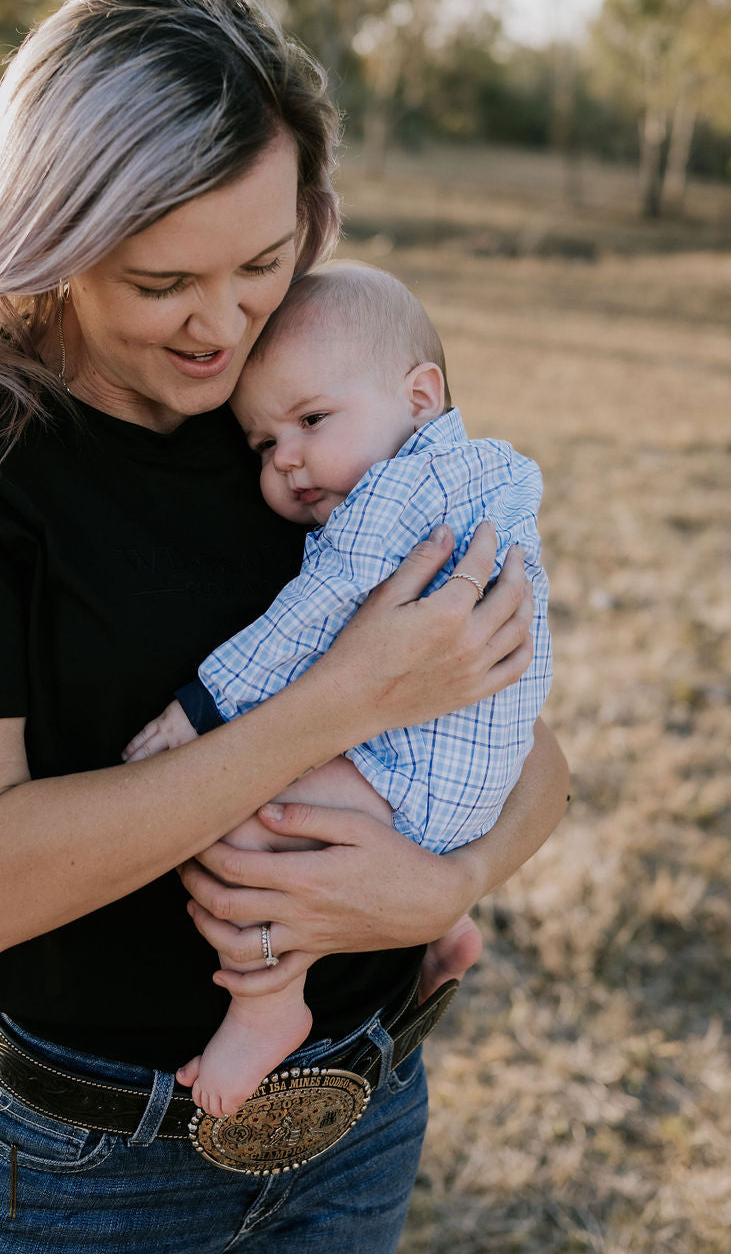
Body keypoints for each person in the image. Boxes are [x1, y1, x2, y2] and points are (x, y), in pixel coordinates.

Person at [0, 0, 568, 1253]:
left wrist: (445, 885)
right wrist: (338, 701)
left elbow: (533, 745)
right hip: (89, 1168)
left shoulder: (321, 396)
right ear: (45, 233)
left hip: (364, 1119)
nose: (222, 327)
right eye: (162, 282)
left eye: (265, 263)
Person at [122, 260, 552, 1118]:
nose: (288, 461)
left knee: (236, 824)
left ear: (420, 397)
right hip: (471, 771)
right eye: (263, 445)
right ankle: (432, 930)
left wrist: (200, 709)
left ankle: (267, 1006)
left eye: (312, 420)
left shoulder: (397, 498)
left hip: (418, 776)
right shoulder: (488, 473)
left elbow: (309, 620)